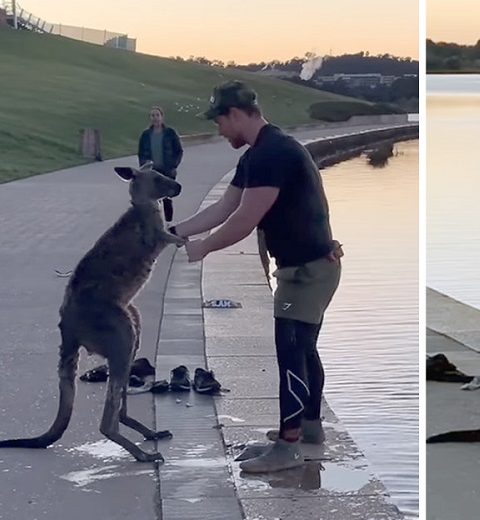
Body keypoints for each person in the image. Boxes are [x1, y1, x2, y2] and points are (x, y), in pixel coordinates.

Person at [170, 80, 344, 473]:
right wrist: (179, 232)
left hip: (307, 273)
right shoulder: (259, 154)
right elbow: (224, 207)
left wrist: (204, 248)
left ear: (234, 114)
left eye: (218, 122)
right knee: (303, 348)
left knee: (291, 352)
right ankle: (309, 428)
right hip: (310, 268)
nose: (218, 131)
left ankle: (288, 446)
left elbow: (245, 221)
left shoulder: (272, 155)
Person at [137, 106, 183, 221]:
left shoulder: (170, 133)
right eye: (153, 115)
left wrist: (173, 165)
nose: (155, 118)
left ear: (162, 117)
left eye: (157, 115)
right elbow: (141, 153)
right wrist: (144, 168)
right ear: (150, 118)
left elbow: (179, 151)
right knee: (152, 199)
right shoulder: (146, 135)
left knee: (167, 198)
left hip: (167, 170)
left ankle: (168, 223)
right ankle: (155, 223)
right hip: (152, 172)